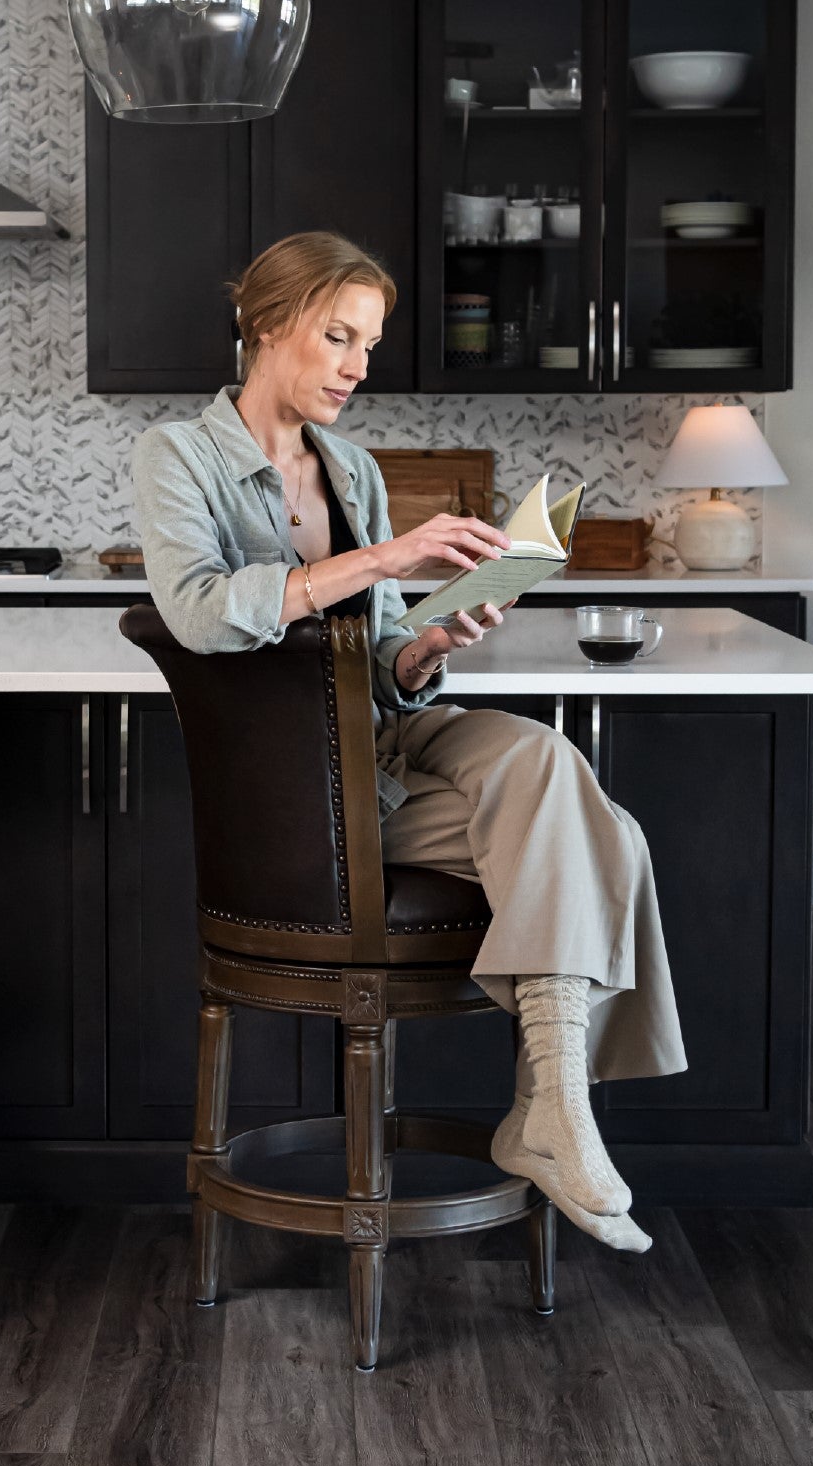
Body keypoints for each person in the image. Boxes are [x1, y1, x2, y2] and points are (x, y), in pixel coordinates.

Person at [130, 231, 686, 1253]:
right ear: (265, 325)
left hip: (386, 735)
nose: (357, 366)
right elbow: (204, 616)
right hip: (296, 788)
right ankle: (548, 1116)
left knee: (549, 765)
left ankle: (555, 1108)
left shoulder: (351, 468)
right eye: (338, 336)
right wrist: (387, 555)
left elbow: (383, 659)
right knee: (609, 837)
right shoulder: (180, 455)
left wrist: (433, 637)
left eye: (370, 346)